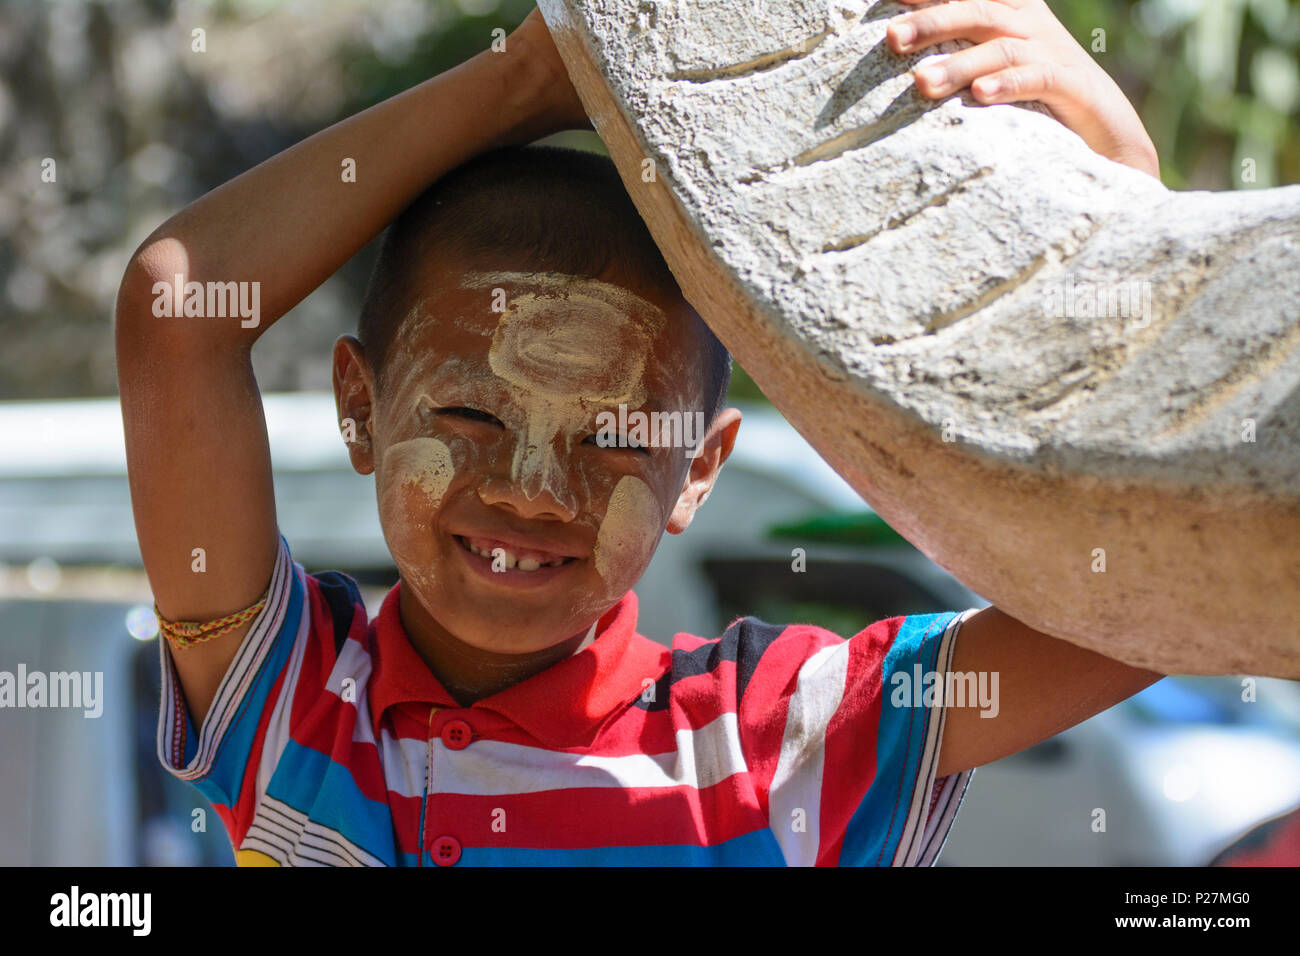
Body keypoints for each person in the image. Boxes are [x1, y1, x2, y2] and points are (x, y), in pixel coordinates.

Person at [116, 0, 1162, 866]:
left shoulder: (778, 740)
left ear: (698, 468)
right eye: (472, 414)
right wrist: (531, 73)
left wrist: (1120, 171)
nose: (530, 491)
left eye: (611, 436)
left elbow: (1154, 604)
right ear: (360, 406)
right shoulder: (294, 702)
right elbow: (177, 309)